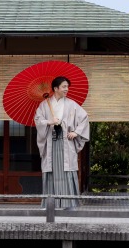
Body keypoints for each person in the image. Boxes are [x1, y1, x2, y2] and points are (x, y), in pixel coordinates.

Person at [34, 76, 90, 209]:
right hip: (51, 143)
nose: (66, 89)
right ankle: (50, 204)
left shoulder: (72, 104)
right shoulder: (44, 105)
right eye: (64, 87)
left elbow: (84, 118)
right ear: (55, 88)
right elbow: (38, 120)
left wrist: (76, 132)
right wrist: (49, 121)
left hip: (66, 143)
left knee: (67, 172)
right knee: (51, 172)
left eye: (67, 87)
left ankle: (69, 204)